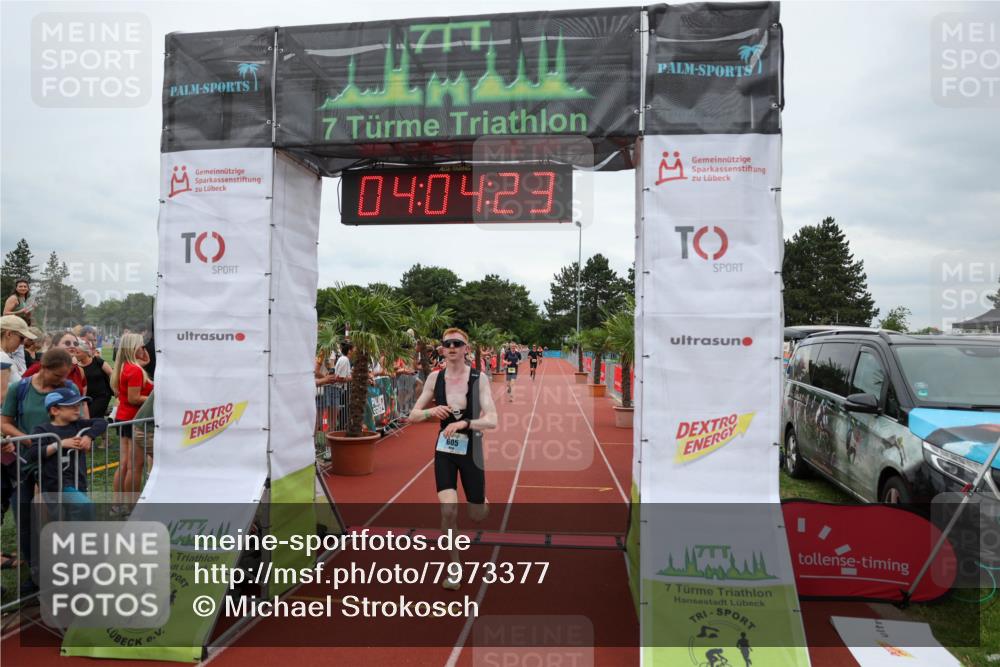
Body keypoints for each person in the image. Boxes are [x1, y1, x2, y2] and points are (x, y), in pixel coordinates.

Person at [408, 328, 497, 590]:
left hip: (472, 449)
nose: (452, 347)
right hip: (445, 449)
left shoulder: (479, 379)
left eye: (457, 343)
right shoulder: (435, 379)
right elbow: (412, 415)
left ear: (466, 348)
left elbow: (492, 420)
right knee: (448, 510)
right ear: (442, 349)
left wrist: (466, 423)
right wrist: (430, 412)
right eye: (447, 344)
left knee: (477, 514)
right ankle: (455, 567)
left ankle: (481, 500)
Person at [1, 348, 77, 593]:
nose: (62, 380)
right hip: (24, 466)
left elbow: (79, 420)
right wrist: (26, 439)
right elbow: (4, 421)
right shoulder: (19, 389)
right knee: (26, 519)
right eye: (58, 375)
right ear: (44, 367)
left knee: (57, 519)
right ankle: (35, 575)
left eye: (65, 375)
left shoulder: (69, 390)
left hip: (59, 468)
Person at [28, 386, 107, 521]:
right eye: (71, 406)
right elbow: (34, 453)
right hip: (55, 484)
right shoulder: (42, 429)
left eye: (78, 405)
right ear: (55, 410)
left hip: (78, 480)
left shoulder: (78, 425)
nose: (78, 409)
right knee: (84, 507)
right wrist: (60, 444)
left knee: (70, 518)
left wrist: (88, 436)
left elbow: (101, 422)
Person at [111, 333, 153, 508]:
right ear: (133, 348)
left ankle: (117, 503)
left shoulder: (125, 367)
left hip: (124, 417)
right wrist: (154, 397)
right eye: (141, 346)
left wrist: (144, 363)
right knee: (135, 466)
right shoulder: (135, 370)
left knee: (125, 464)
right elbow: (134, 397)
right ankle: (131, 505)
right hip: (134, 419)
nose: (144, 349)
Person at [23, 331, 87, 396]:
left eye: (76, 344)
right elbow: (21, 387)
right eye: (67, 343)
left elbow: (83, 400)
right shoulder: (40, 367)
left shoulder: (79, 370)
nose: (72, 346)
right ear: (55, 346)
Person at [76, 339, 114, 418]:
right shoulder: (77, 366)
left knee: (92, 415)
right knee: (94, 418)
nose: (76, 355)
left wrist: (114, 388)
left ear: (85, 352)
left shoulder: (97, 361)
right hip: (87, 398)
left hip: (102, 396)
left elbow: (111, 373)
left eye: (78, 353)